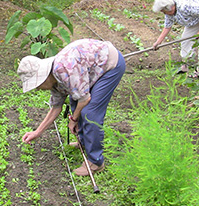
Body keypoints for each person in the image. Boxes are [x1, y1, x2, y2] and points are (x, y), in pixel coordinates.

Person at [18, 39, 125, 176]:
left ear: (43, 77)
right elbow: (56, 107)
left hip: (110, 65)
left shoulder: (63, 70)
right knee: (75, 102)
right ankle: (84, 142)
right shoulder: (54, 80)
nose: (38, 89)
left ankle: (95, 162)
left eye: (37, 84)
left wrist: (73, 119)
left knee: (89, 113)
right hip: (92, 68)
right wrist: (37, 132)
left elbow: (85, 99)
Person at [152, 0, 199, 74]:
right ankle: (186, 65)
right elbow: (167, 26)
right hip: (195, 19)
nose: (164, 13)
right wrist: (158, 42)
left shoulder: (185, 5)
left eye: (163, 11)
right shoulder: (169, 12)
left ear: (169, 8)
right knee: (185, 41)